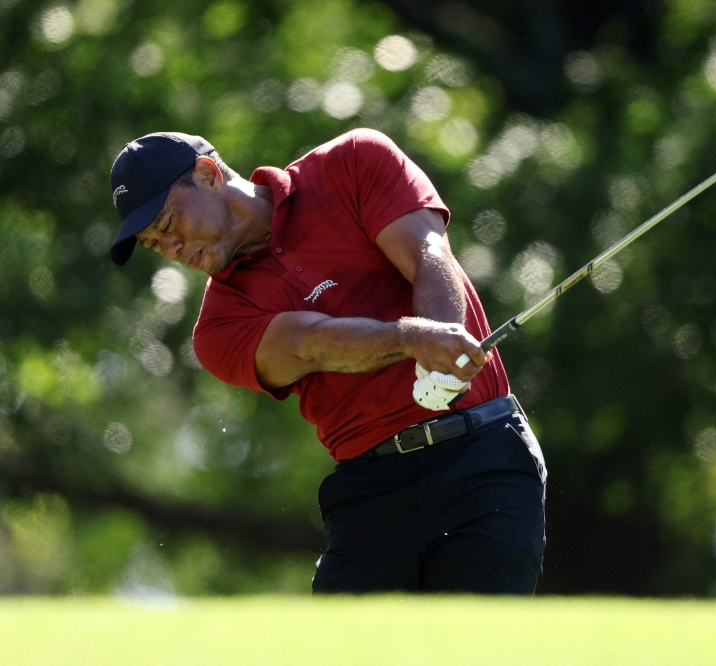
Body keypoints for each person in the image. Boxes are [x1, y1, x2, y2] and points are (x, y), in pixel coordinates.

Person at [108, 129, 546, 594]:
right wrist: (415, 339)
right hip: (372, 492)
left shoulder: (353, 162)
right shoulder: (218, 329)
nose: (171, 250)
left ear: (209, 174)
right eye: (155, 244)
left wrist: (443, 348)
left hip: (484, 457)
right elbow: (307, 343)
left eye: (170, 223)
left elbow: (427, 252)